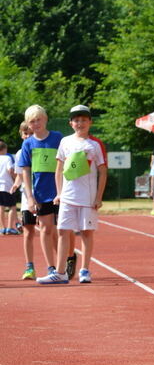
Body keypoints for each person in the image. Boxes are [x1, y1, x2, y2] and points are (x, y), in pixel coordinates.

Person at [37, 105, 107, 284]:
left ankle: (85, 270)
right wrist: (59, 193)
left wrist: (99, 197)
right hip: (67, 197)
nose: (80, 123)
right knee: (62, 231)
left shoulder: (95, 144)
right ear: (70, 123)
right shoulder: (65, 142)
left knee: (86, 233)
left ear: (90, 122)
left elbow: (103, 171)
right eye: (76, 120)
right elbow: (59, 169)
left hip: (87, 198)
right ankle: (60, 273)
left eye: (84, 120)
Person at [18, 105, 62, 274]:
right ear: (28, 124)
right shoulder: (28, 144)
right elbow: (25, 171)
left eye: (38, 119)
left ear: (45, 119)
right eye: (32, 121)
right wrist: (30, 197)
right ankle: (52, 267)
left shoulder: (58, 138)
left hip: (60, 191)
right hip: (41, 193)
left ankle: (64, 262)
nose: (36, 123)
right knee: (46, 229)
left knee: (62, 230)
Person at [12, 123, 37, 278]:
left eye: (30, 133)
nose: (27, 136)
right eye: (25, 133)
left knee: (50, 231)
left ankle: (58, 263)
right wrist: (15, 185)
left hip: (44, 195)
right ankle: (29, 267)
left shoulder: (41, 149)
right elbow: (20, 175)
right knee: (28, 231)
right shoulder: (20, 153)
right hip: (27, 196)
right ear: (21, 135)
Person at [0, 141, 19, 235]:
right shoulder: (7, 158)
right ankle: (10, 227)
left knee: (1, 206)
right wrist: (17, 178)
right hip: (7, 185)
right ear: (4, 149)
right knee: (12, 206)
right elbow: (10, 170)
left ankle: (2, 227)